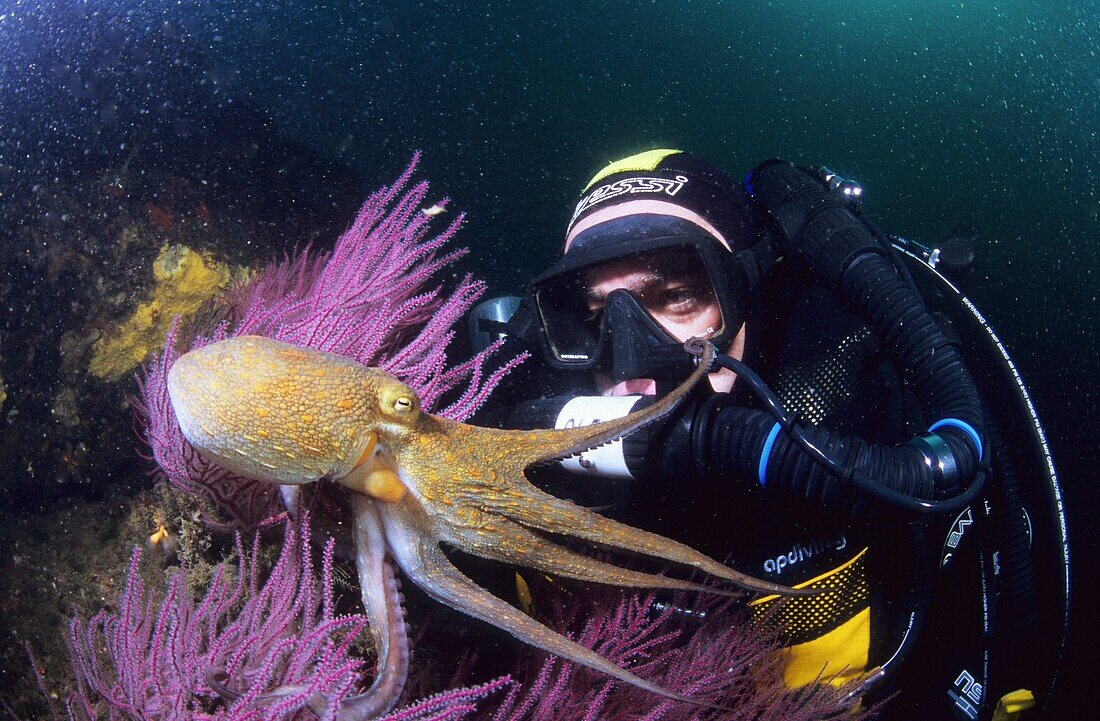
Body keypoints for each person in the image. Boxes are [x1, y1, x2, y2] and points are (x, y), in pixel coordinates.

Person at [472, 149, 1068, 720]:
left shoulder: (850, 403)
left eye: (679, 295)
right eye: (600, 317)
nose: (631, 365)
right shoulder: (536, 449)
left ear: (747, 289)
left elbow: (975, 602)